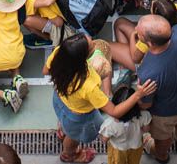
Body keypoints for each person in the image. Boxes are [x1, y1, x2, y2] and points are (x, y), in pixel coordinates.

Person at [46, 32, 155, 163]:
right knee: (73, 136)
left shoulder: (62, 53)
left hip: (60, 99)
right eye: (91, 45)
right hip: (79, 116)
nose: (93, 40)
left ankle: (64, 128)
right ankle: (69, 154)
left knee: (66, 123)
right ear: (83, 59)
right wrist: (138, 94)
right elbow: (114, 111)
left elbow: (45, 70)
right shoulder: (88, 85)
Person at [134, 14, 177, 163]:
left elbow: (146, 104)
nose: (136, 29)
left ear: (149, 44)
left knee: (162, 136)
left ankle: (161, 155)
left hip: (166, 113)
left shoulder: (148, 73)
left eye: (139, 31)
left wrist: (137, 96)